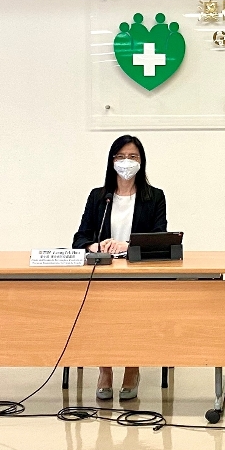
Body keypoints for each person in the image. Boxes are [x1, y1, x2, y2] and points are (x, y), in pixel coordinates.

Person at [72, 135, 168, 402]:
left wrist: (128, 244)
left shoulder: (154, 197)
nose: (127, 162)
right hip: (103, 273)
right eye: (121, 157)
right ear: (112, 161)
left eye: (133, 157)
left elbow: (160, 238)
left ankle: (132, 368)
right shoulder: (99, 197)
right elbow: (80, 238)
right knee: (100, 314)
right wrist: (95, 245)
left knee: (134, 314)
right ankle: (104, 370)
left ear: (141, 161)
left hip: (138, 274)